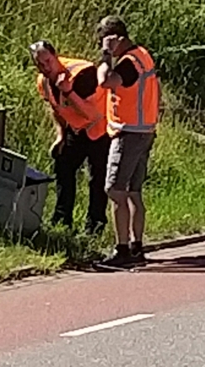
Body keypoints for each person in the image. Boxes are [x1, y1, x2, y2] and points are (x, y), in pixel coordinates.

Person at [95, 16, 160, 268]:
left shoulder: (129, 63)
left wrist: (105, 57)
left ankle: (122, 251)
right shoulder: (143, 55)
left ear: (117, 39)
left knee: (116, 190)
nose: (106, 47)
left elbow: (105, 81)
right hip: (144, 130)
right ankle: (137, 246)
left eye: (107, 42)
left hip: (129, 132)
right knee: (134, 191)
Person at [29, 40, 110, 235]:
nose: (45, 67)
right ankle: (62, 221)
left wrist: (68, 91)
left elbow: (92, 114)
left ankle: (95, 226)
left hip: (101, 129)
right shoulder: (44, 81)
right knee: (63, 164)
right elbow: (55, 108)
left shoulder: (83, 74)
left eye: (48, 61)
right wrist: (60, 135)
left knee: (97, 179)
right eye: (40, 64)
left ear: (55, 56)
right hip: (75, 130)